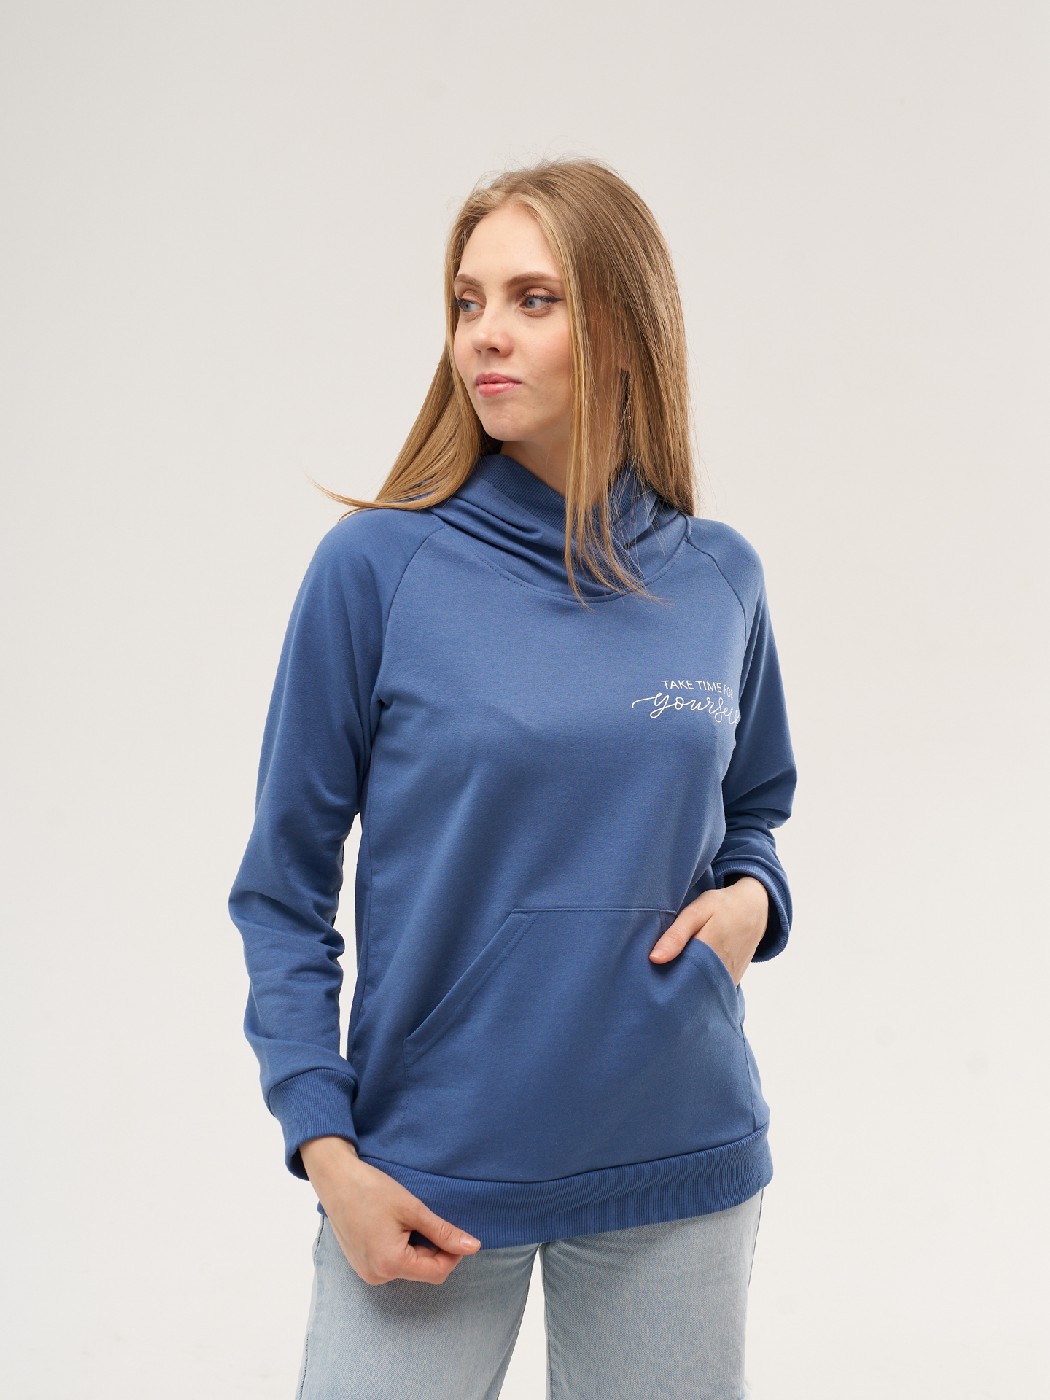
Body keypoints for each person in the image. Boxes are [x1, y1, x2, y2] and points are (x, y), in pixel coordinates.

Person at [228, 156, 798, 1400]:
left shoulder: (720, 576)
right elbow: (281, 888)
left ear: (625, 330)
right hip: (424, 1173)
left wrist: (755, 900)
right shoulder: (376, 568)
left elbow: (755, 802)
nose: (485, 333)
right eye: (467, 299)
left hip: (678, 1155)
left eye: (534, 299)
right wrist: (326, 1148)